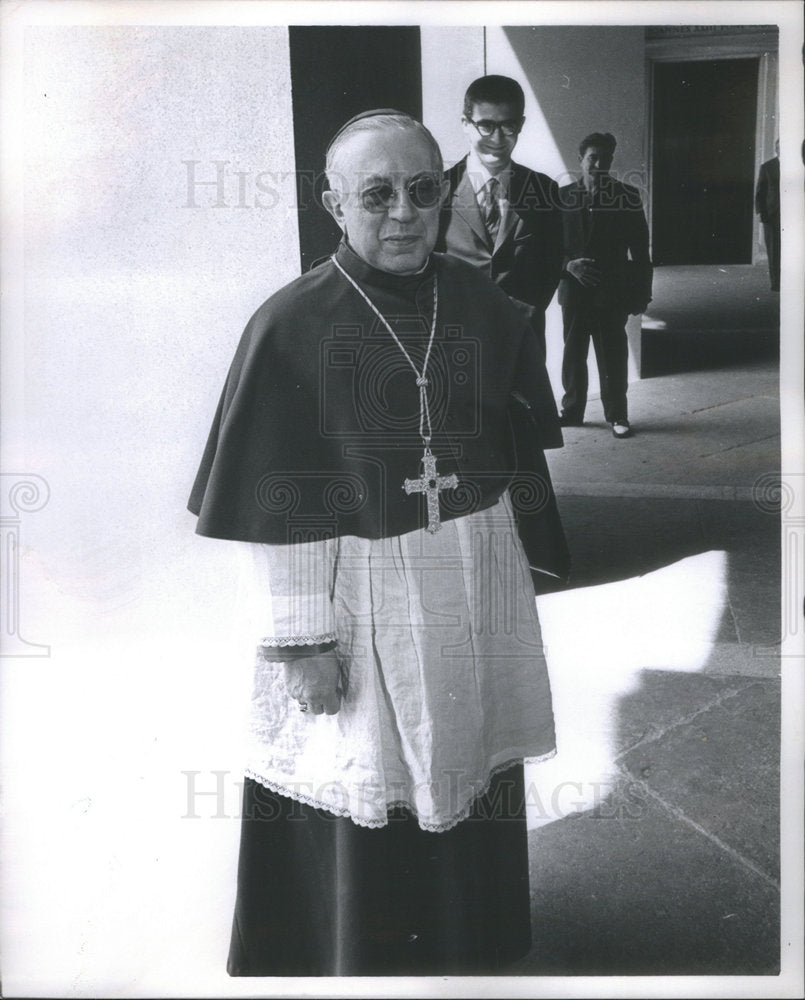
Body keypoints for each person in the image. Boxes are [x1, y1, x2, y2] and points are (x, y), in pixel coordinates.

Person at [188, 109, 568, 976]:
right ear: (334, 203)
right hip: (357, 588)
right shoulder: (291, 323)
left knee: (469, 749)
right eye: (376, 193)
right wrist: (301, 645)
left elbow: (512, 454)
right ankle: (357, 958)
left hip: (472, 577)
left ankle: (471, 944)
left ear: (445, 194)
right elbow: (274, 508)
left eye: (422, 190)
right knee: (362, 765)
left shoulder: (482, 302)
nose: (403, 213)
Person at [436, 75, 562, 354]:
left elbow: (551, 265)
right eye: (486, 125)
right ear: (466, 125)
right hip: (455, 342)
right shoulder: (438, 190)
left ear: (521, 125)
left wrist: (520, 315)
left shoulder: (544, 189)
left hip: (522, 340)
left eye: (508, 126)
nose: (497, 138)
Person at [557, 131, 652, 438]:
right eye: (592, 157)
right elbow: (548, 247)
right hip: (573, 290)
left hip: (612, 291)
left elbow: (640, 249)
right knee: (573, 354)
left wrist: (642, 293)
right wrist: (568, 266)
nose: (599, 164)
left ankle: (617, 415)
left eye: (606, 158)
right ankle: (572, 411)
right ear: (580, 159)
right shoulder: (562, 197)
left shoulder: (627, 195)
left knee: (612, 354)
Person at [755, 139, 780, 292]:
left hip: (793, 218)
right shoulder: (767, 167)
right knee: (774, 251)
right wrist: (762, 215)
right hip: (772, 217)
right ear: (777, 149)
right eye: (780, 147)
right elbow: (759, 194)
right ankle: (776, 283)